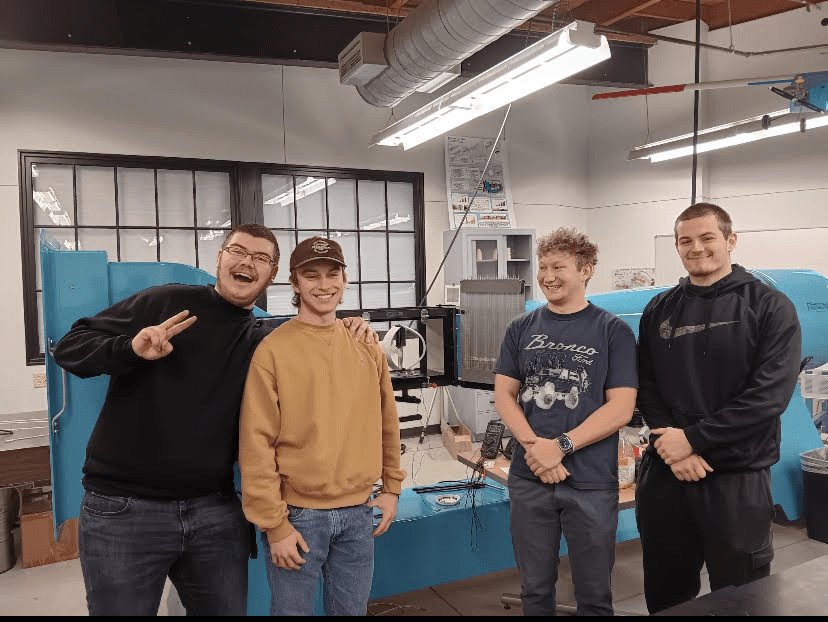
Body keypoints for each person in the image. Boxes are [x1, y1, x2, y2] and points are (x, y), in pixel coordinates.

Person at [52, 224, 375, 616]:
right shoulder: (167, 302)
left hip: (214, 514)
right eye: (237, 251)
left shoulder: (264, 337)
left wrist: (353, 324)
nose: (246, 262)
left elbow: (314, 333)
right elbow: (70, 347)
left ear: (273, 276)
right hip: (124, 510)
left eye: (260, 258)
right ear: (219, 258)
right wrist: (130, 348)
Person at [635, 202, 802, 614]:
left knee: (741, 594)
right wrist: (670, 444)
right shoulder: (659, 308)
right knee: (666, 591)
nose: (697, 248)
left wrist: (691, 440)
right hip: (667, 475)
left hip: (735, 477)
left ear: (730, 240)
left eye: (708, 238)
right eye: (685, 241)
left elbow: (768, 397)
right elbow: (645, 385)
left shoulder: (768, 307)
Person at [238, 236, 406, 617]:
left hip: (358, 513)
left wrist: (393, 487)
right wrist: (274, 525)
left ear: (345, 279)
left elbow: (387, 422)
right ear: (295, 284)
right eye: (311, 276)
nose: (324, 284)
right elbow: (256, 443)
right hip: (298, 515)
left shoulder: (366, 346)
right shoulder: (273, 351)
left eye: (333, 274)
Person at [492, 227, 638, 616]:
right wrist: (534, 447)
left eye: (559, 266)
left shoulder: (613, 331)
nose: (548, 276)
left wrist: (560, 447)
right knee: (534, 590)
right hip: (529, 478)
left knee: (593, 594)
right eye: (543, 267)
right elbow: (504, 395)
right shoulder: (521, 327)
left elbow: (621, 408)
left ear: (586, 269)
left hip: (590, 482)